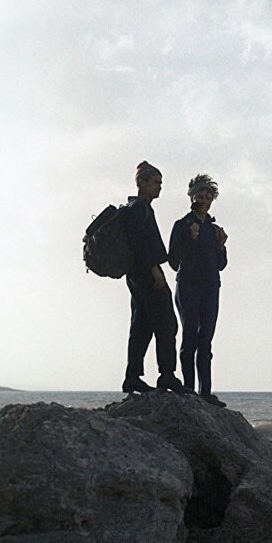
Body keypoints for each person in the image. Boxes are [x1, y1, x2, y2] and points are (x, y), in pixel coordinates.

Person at [122, 161, 190, 395]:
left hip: (135, 274)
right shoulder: (140, 208)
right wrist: (154, 268)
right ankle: (167, 375)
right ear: (141, 183)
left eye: (160, 182)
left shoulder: (136, 207)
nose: (159, 186)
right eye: (155, 182)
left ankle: (132, 377)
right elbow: (139, 243)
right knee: (167, 323)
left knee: (141, 325)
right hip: (146, 273)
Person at [168, 173, 228, 407]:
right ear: (191, 197)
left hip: (211, 287)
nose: (204, 201)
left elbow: (221, 265)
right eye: (200, 196)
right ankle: (188, 389)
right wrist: (190, 238)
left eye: (208, 197)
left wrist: (221, 246)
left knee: (206, 340)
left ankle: (206, 392)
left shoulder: (214, 229)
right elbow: (173, 261)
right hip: (188, 286)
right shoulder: (182, 225)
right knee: (190, 336)